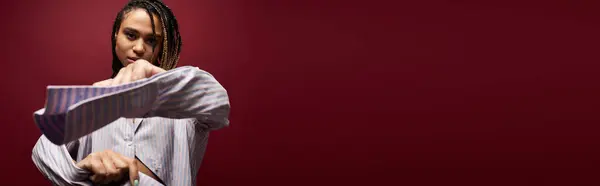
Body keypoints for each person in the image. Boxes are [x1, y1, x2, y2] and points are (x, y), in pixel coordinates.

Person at [31, 0, 230, 185]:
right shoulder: (95, 95)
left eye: (151, 40)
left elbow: (218, 103)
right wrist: (79, 172)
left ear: (161, 47)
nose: (139, 48)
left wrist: (157, 81)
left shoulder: (185, 99)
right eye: (131, 35)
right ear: (115, 35)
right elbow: (43, 148)